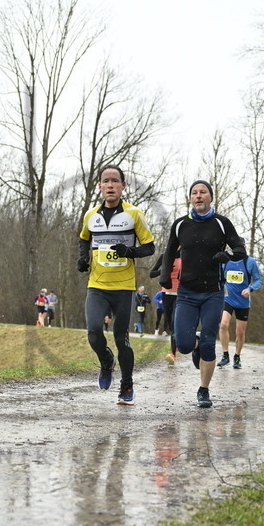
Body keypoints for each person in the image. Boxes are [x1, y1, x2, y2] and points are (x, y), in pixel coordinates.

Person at [160, 179, 246, 408]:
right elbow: (168, 252)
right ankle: (194, 345)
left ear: (210, 197)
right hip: (186, 292)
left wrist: (228, 256)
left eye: (203, 192)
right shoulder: (180, 225)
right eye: (195, 193)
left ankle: (204, 391)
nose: (199, 196)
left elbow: (240, 249)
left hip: (213, 293)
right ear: (190, 198)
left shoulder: (221, 223)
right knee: (185, 344)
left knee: (209, 343)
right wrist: (164, 275)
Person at [77, 164, 155, 405]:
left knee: (122, 338)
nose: (110, 185)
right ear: (100, 187)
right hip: (97, 285)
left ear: (123, 186)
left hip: (123, 288)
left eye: (115, 181)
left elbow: (150, 246)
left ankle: (127, 386)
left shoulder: (134, 214)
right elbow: (84, 239)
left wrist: (130, 251)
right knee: (92, 331)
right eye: (106, 181)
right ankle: (106, 361)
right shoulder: (91, 216)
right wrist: (83, 257)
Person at [218, 256, 263, 369]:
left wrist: (250, 289)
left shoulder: (250, 262)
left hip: (243, 301)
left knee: (240, 332)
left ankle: (237, 356)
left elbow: (258, 280)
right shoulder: (226, 260)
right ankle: (225, 355)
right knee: (223, 325)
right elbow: (218, 276)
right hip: (227, 298)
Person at [149, 254, 181, 363]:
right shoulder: (164, 257)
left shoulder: (186, 254)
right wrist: (163, 271)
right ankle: (176, 343)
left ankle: (173, 354)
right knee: (171, 325)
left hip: (181, 294)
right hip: (166, 294)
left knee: (173, 322)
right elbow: (152, 274)